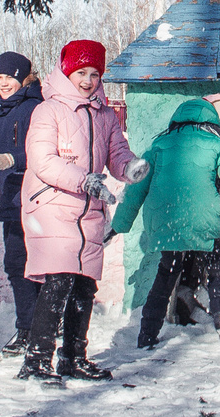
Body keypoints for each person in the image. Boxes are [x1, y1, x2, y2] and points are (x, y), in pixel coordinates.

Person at [21, 40, 143, 385]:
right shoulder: (49, 110)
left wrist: (129, 166)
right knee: (59, 280)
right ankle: (36, 360)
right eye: (81, 73)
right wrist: (84, 180)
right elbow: (42, 161)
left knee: (84, 286)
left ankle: (73, 357)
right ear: (66, 71)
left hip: (89, 207)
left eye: (94, 74)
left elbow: (115, 149)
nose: (88, 80)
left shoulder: (104, 113)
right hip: (52, 205)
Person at [115, 97, 220, 348]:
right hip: (203, 218)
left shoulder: (159, 145)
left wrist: (118, 225)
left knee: (166, 272)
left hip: (168, 221)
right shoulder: (218, 145)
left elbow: (135, 190)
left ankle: (147, 332)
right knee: (216, 268)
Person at [0, 52, 44, 356]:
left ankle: (31, 329)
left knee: (26, 264)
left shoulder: (35, 108)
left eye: (9, 76)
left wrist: (14, 160)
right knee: (17, 264)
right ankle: (35, 325)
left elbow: (45, 152)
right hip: (10, 196)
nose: (4, 83)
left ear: (23, 77)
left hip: (34, 198)